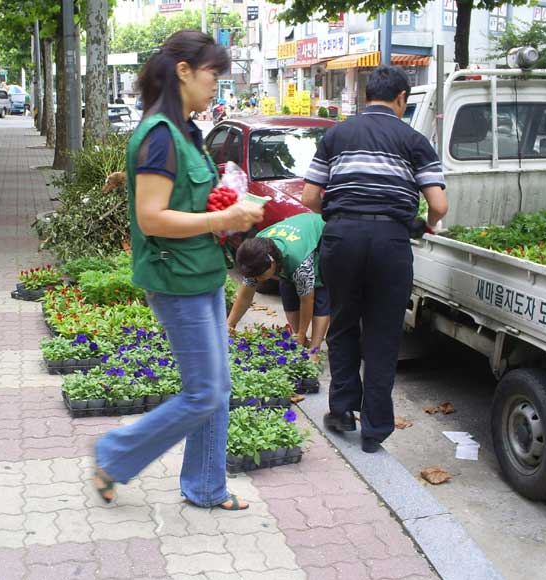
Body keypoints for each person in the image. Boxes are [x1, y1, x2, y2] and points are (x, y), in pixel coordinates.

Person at [93, 30, 264, 510]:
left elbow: (184, 202)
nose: (218, 84)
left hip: (201, 274)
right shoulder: (161, 136)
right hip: (175, 281)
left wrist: (225, 208)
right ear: (184, 71)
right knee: (204, 392)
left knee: (216, 390)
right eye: (212, 73)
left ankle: (205, 487)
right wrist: (223, 219)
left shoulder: (187, 132)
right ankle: (113, 455)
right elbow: (151, 218)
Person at [301, 66, 448, 453]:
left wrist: (342, 215)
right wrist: (426, 225)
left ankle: (341, 411)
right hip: (390, 241)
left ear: (368, 96)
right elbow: (439, 204)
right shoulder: (414, 140)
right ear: (401, 99)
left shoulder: (335, 135)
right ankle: (375, 429)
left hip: (343, 238)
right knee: (383, 333)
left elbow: (310, 199)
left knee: (344, 323)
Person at [228, 212, 329, 353]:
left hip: (322, 237)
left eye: (260, 276)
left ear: (272, 263)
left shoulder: (300, 263)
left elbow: (307, 301)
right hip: (295, 239)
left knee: (321, 296)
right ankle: (300, 339)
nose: (257, 280)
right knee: (287, 288)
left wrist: (302, 331)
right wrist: (230, 325)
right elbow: (245, 296)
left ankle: (314, 349)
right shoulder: (254, 253)